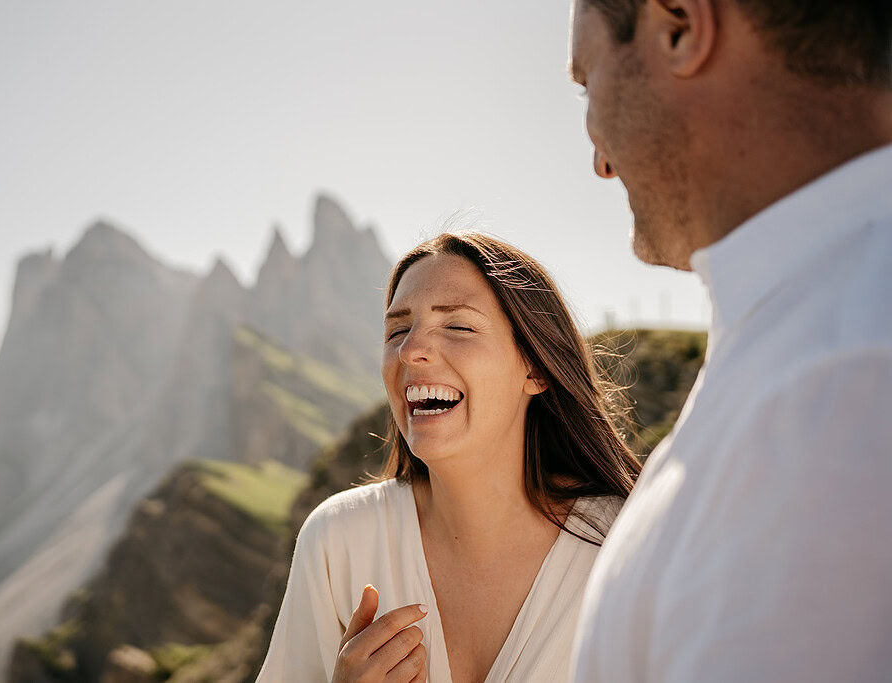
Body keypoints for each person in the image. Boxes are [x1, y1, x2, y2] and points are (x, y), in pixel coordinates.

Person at [567, 1, 892, 681]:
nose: (597, 159)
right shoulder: (812, 336)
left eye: (586, 79)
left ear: (679, 26)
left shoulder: (829, 394)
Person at [256, 232, 642, 682]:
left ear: (535, 367)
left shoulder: (630, 546)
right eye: (397, 330)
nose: (410, 349)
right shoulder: (337, 541)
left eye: (458, 326)